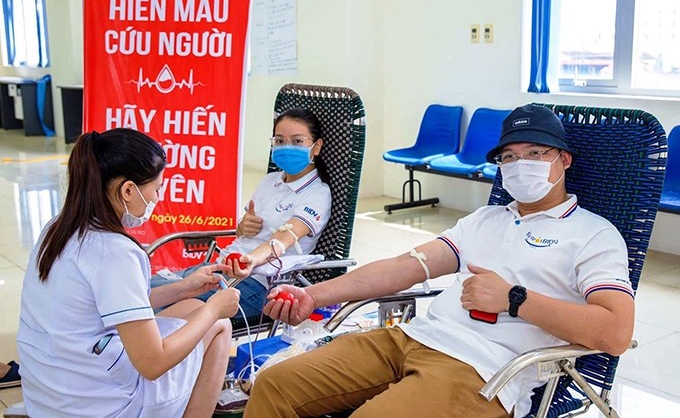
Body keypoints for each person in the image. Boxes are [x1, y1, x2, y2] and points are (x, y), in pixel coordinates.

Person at [243, 104, 635, 418]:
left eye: (535, 153)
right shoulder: (485, 219)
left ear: (564, 160)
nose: (520, 165)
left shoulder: (593, 234)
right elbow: (404, 266)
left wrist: (514, 299)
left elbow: (616, 333)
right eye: (510, 157)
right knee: (276, 383)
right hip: (413, 338)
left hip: (483, 370)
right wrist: (314, 295)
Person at [17, 128, 241, 418]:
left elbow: (109, 304)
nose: (158, 197)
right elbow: (152, 363)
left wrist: (184, 287)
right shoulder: (115, 251)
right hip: (101, 407)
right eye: (157, 189)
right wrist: (215, 310)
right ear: (127, 190)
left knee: (190, 307)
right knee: (217, 325)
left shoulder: (57, 228)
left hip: (50, 395)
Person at [152, 107, 332, 320]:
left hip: (256, 283)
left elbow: (282, 240)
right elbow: (245, 230)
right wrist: (242, 226)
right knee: (141, 292)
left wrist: (251, 261)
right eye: (280, 141)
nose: (287, 147)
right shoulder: (270, 181)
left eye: (297, 141)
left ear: (316, 146)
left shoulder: (317, 194)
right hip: (221, 266)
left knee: (163, 315)